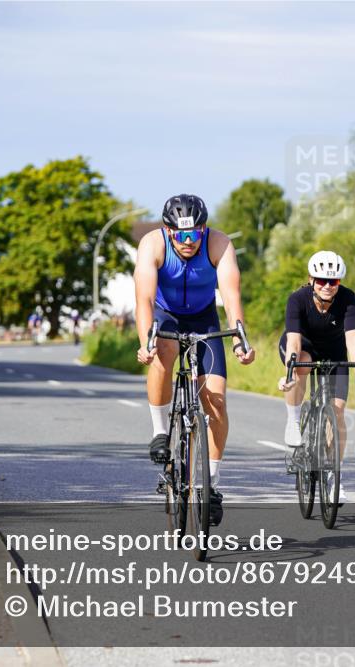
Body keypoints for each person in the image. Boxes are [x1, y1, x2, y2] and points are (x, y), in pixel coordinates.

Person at [135, 193, 255, 526]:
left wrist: (240, 339)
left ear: (204, 229)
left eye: (195, 233)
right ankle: (160, 430)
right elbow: (144, 299)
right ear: (168, 230)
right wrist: (146, 341)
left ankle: (212, 484)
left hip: (204, 318)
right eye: (181, 234)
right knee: (165, 349)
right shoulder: (151, 245)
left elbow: (231, 296)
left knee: (216, 401)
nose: (188, 241)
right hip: (165, 315)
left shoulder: (219, 243)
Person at [277, 251, 355, 504]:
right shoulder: (297, 299)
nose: (328, 286)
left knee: (337, 412)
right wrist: (290, 369)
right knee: (303, 363)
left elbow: (353, 338)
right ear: (311, 279)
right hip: (302, 346)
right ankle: (294, 420)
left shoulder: (348, 298)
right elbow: (294, 341)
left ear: (339, 283)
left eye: (334, 282)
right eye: (321, 280)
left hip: (334, 352)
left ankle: (333, 476)